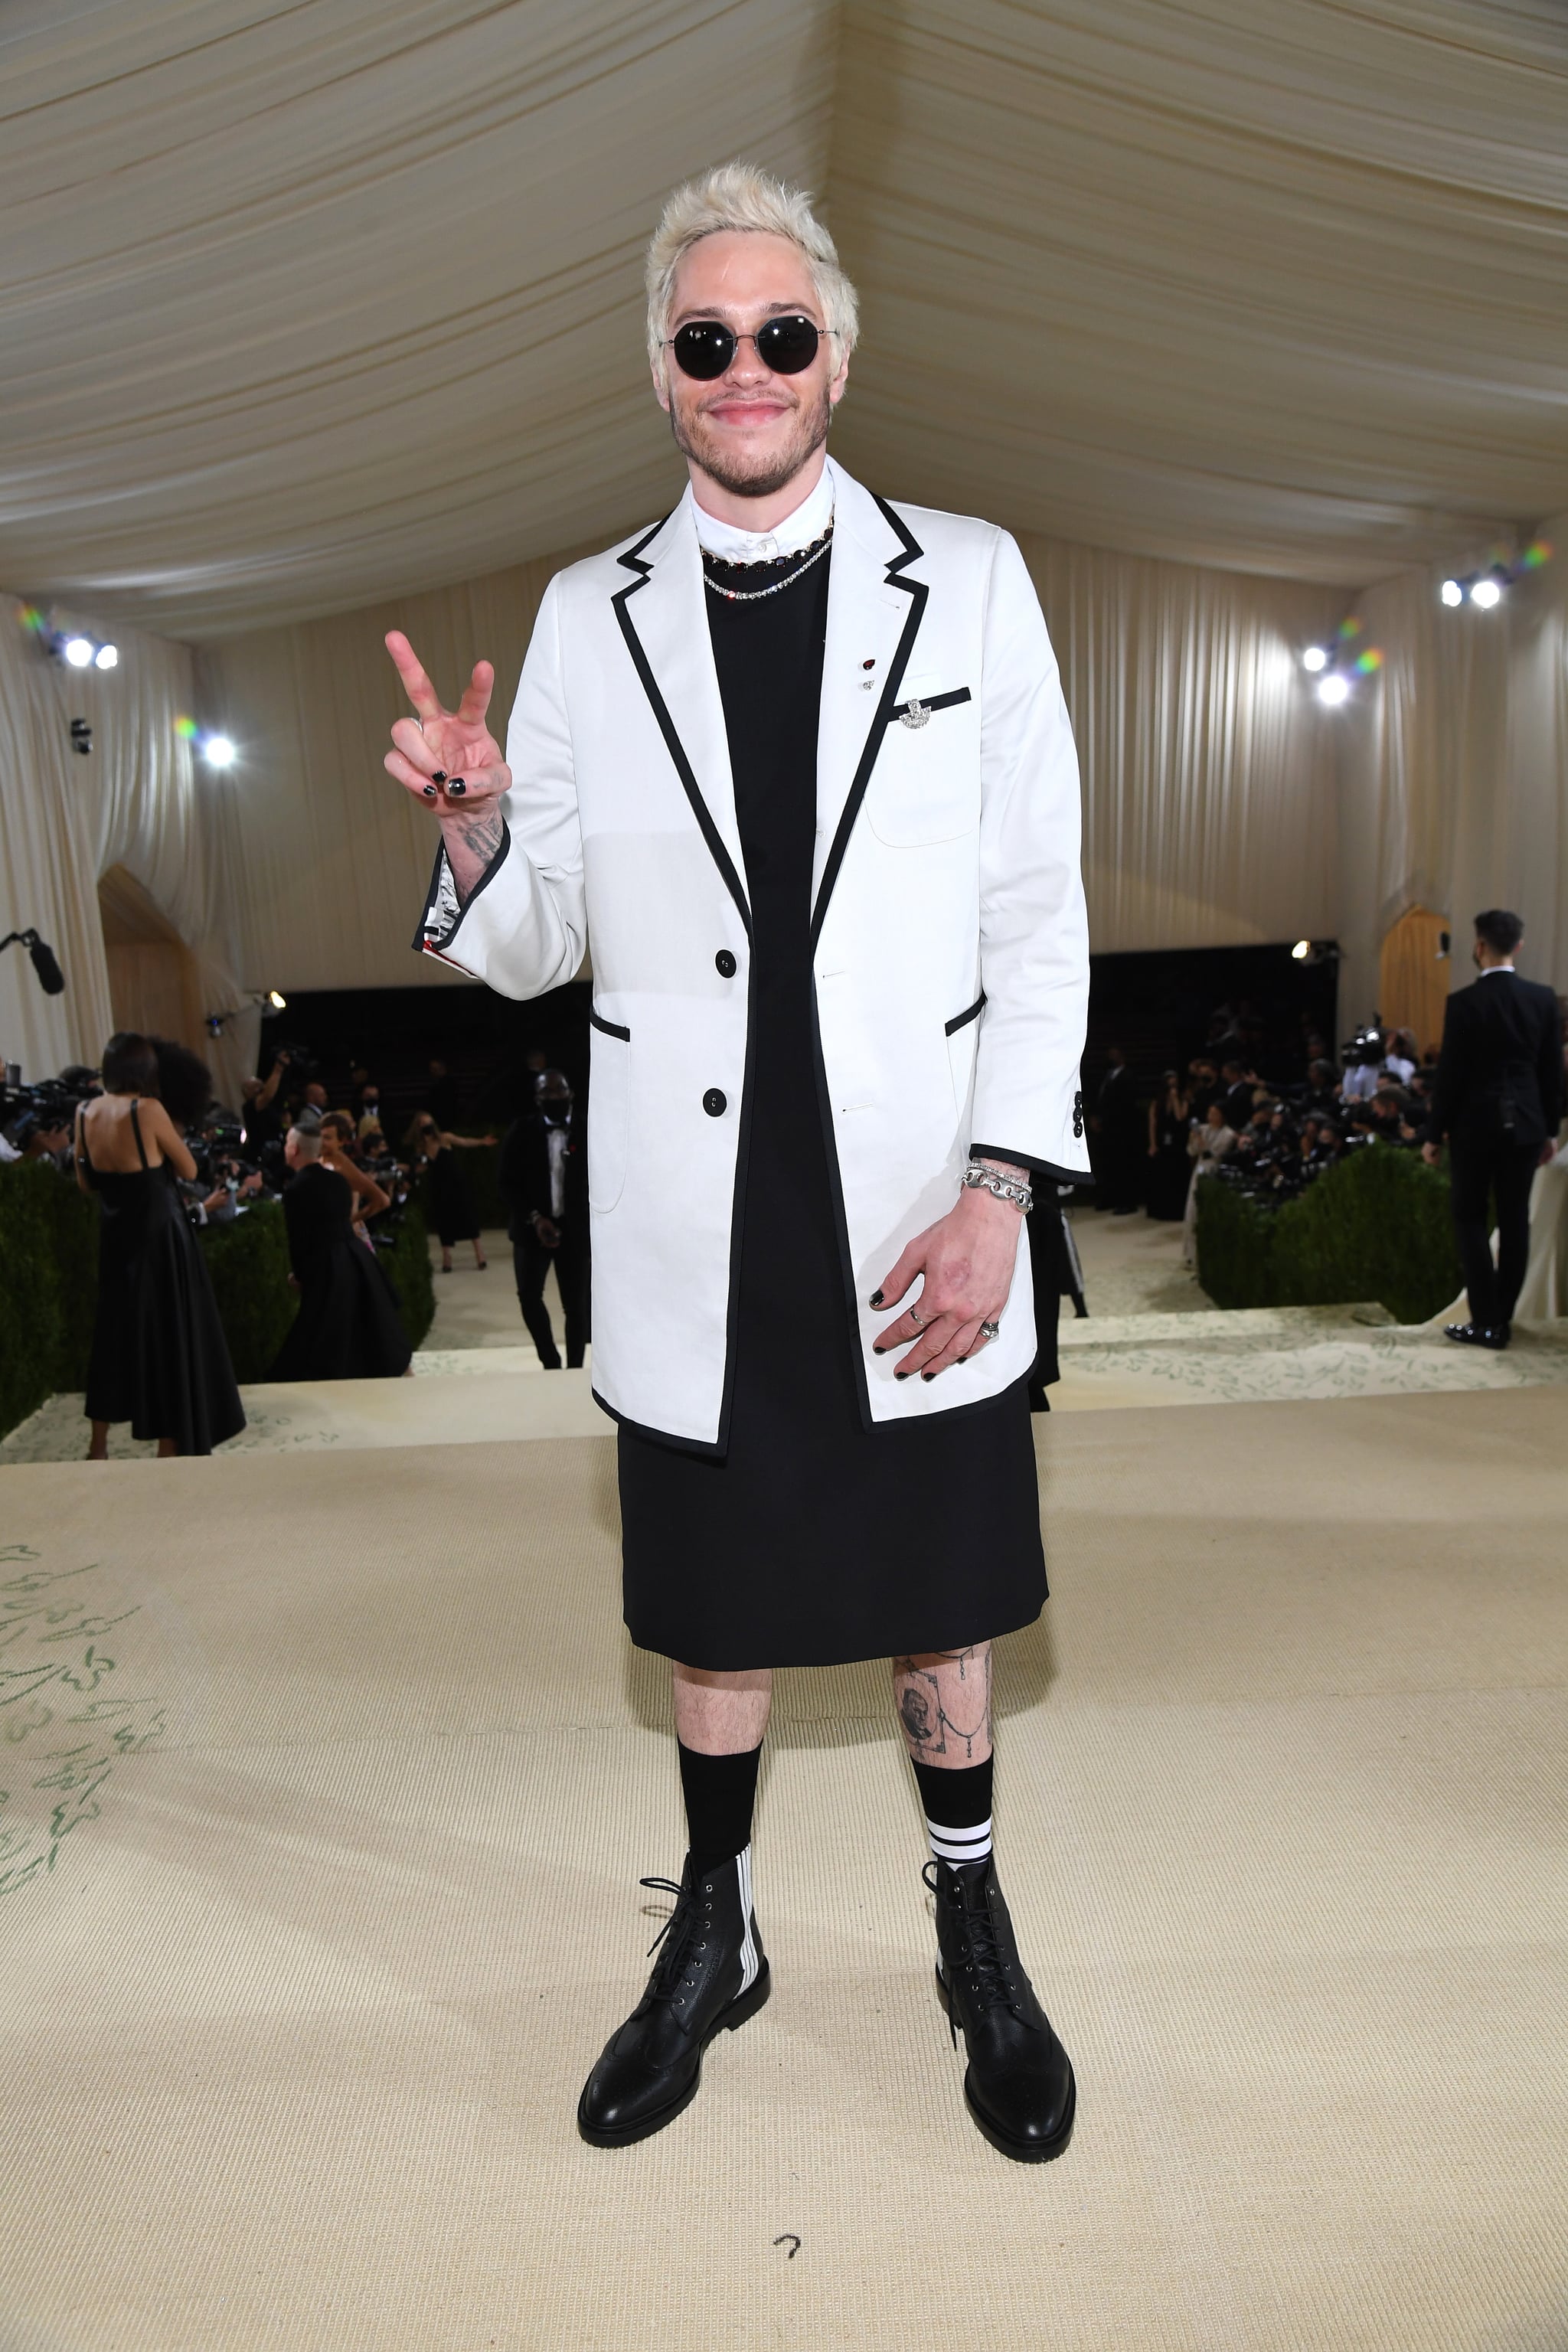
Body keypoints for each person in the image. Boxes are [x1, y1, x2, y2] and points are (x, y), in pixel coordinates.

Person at [382, 165, 1089, 2164]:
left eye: (784, 334)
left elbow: (1038, 910)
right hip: (697, 1205)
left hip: (914, 1199)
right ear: (665, 375)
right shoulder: (582, 619)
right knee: (715, 1600)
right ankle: (718, 1927)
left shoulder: (970, 575)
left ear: (839, 356)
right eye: (709, 341)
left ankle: (970, 1918)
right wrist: (472, 837)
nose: (748, 368)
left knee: (941, 1592)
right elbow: (535, 947)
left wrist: (1004, 1191)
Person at [74, 1031, 245, 1459]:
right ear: (147, 1070)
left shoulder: (83, 1111)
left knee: (112, 1335)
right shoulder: (147, 1110)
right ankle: (169, 1444)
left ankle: (98, 1445)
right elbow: (187, 1167)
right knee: (168, 1336)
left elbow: (85, 1182)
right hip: (160, 1239)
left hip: (115, 1237)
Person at [1423, 910, 1563, 1348]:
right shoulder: (1543, 999)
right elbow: (1550, 1072)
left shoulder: (1463, 1002)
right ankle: (1501, 1316)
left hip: (1473, 1126)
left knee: (1468, 1216)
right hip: (1526, 1126)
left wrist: (1433, 1133)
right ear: (1518, 946)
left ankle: (1486, 1321)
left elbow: (1450, 1075)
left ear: (1479, 946)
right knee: (1515, 1219)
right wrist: (1550, 1130)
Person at [270, 1119, 411, 1380]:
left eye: (289, 1143)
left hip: (327, 1265)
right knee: (363, 1323)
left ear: (296, 1150)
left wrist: (299, 1276)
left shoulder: (297, 1190)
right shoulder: (337, 1181)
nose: (286, 1148)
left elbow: (299, 1241)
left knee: (323, 1333)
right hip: (355, 1256)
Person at [498, 1069, 590, 1368]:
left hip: (574, 1231)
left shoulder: (587, 1129)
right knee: (529, 1296)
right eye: (548, 1093)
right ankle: (550, 1361)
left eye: (560, 1092)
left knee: (576, 1306)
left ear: (571, 1094)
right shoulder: (521, 1131)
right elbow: (505, 1182)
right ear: (538, 1099)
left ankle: (575, 1366)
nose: (555, 1098)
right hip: (531, 1229)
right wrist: (535, 1218)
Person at [409, 1112, 495, 1271]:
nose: (426, 1126)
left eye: (429, 1122)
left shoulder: (444, 1138)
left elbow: (464, 1141)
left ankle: (479, 1254)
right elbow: (422, 1168)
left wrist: (482, 1141)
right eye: (423, 1123)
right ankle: (447, 1257)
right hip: (438, 1186)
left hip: (455, 1182)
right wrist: (414, 1168)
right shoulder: (421, 1147)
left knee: (467, 1215)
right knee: (444, 1219)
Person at [1089, 1043, 1142, 1214]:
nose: (1110, 1058)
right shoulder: (1106, 1075)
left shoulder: (1128, 1076)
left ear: (1121, 1057)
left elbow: (1128, 1104)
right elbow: (1100, 1099)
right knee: (1107, 1165)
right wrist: (1096, 1117)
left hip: (1122, 1129)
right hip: (1106, 1129)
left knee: (1123, 1166)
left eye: (1114, 1055)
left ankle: (1126, 1202)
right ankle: (1109, 1198)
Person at [1183, 1099, 1236, 1266]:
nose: (1211, 1117)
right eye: (1210, 1113)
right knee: (1192, 1211)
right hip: (1199, 1170)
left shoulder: (1229, 1134)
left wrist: (1199, 1139)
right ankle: (1191, 1256)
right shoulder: (1204, 1129)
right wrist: (1193, 1138)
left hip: (1215, 1171)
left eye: (1215, 1114)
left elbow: (1210, 1153)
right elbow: (1192, 1151)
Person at [1145, 1069, 1192, 1220]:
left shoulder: (1183, 1099)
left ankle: (1177, 1211)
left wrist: (1175, 1099)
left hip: (1177, 1143)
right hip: (1161, 1141)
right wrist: (1153, 1144)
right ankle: (1160, 1210)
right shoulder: (1157, 1101)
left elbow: (1180, 1117)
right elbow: (1152, 1123)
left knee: (1177, 1176)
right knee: (1161, 1177)